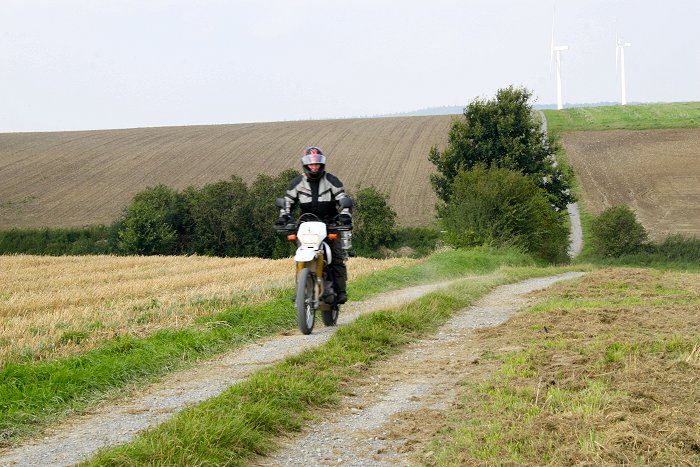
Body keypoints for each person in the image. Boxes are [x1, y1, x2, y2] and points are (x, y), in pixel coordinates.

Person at [276, 147, 352, 304]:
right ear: (305, 165)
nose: (314, 167)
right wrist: (284, 217)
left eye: (317, 164)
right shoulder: (297, 183)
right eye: (311, 165)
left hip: (330, 224)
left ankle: (340, 291)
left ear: (322, 164)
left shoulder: (332, 180)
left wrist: (345, 215)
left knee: (336, 257)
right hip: (306, 225)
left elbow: (343, 199)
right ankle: (301, 289)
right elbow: (288, 202)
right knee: (300, 256)